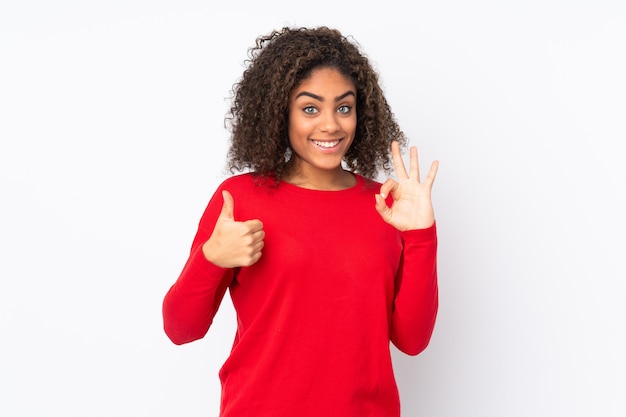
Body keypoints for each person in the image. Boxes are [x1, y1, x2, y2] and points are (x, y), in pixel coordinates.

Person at [162, 26, 439, 417]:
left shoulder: (387, 206)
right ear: (280, 112)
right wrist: (211, 258)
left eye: (344, 107)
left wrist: (421, 236)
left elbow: (411, 340)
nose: (330, 125)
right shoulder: (240, 199)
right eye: (310, 108)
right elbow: (181, 328)